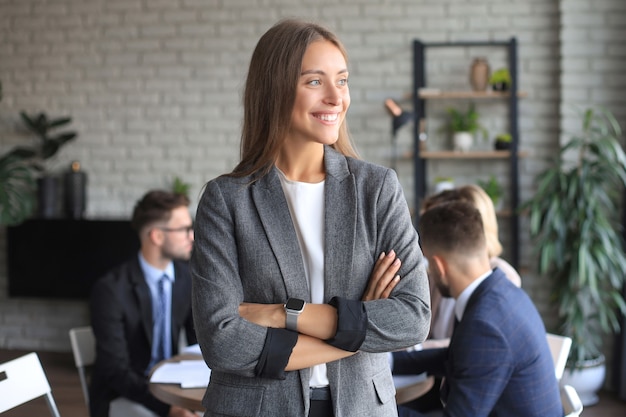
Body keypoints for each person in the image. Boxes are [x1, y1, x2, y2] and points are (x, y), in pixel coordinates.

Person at [190, 18, 431, 417]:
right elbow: (222, 343)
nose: (337, 97)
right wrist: (354, 324)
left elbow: (413, 317)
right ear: (274, 91)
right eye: (315, 81)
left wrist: (279, 313)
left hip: (362, 408)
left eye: (343, 80)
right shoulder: (226, 200)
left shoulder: (377, 189)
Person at [394, 201, 562, 417]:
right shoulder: (503, 291)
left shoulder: (485, 325)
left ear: (438, 266)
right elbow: (459, 357)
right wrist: (389, 362)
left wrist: (373, 411)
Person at [89, 190, 197, 417]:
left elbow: (197, 341)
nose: (192, 236)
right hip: (123, 394)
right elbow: (116, 372)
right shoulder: (110, 290)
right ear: (157, 236)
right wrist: (170, 408)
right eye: (184, 229)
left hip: (171, 384)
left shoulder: (185, 278)